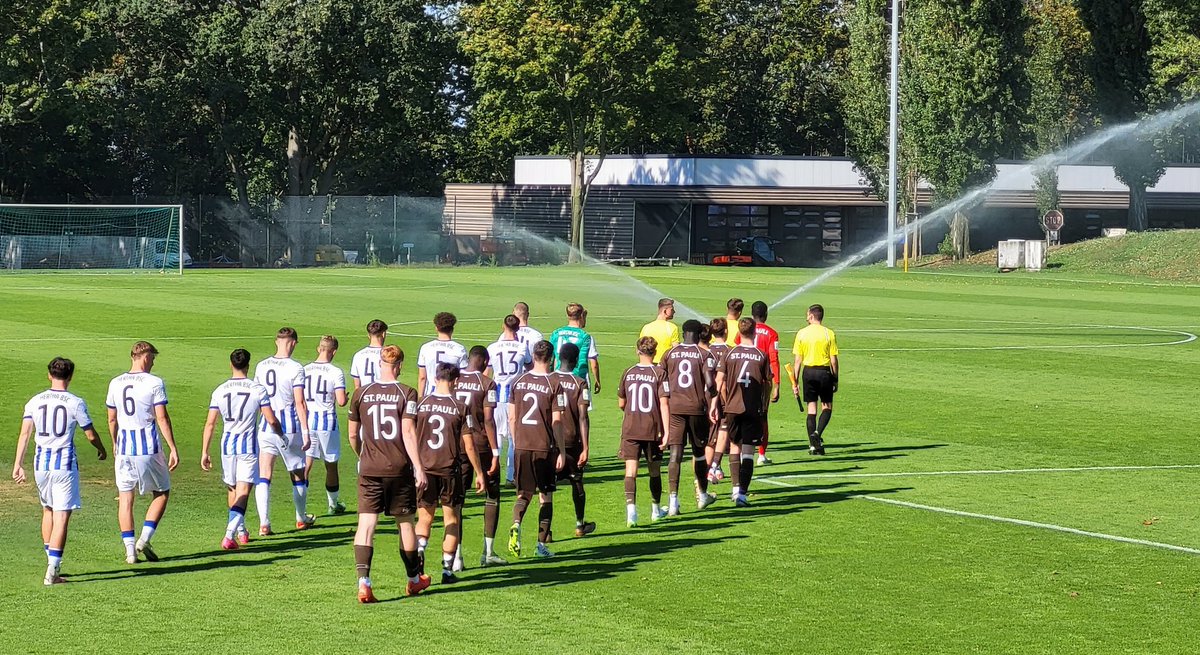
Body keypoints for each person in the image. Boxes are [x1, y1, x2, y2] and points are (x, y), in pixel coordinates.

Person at [12, 357, 107, 584]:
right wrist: (101, 449)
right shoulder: (75, 402)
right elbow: (90, 434)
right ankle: (52, 571)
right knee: (62, 516)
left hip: (40, 466)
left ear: (49, 375)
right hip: (64, 466)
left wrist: (18, 464)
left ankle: (50, 562)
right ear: (70, 376)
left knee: (48, 510)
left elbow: (25, 434)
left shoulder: (34, 401)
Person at [348, 345, 429, 603]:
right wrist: (418, 466)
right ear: (400, 365)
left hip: (370, 468)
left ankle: (364, 582)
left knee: (367, 524)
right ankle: (414, 580)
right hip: (398, 469)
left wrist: (363, 454)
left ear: (379, 363)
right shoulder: (407, 393)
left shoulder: (361, 393)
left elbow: (352, 434)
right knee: (405, 523)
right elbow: (407, 432)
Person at [200, 349, 282, 549]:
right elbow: (270, 418)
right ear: (248, 365)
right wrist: (280, 434)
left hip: (227, 445)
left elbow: (210, 423)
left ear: (231, 364)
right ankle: (229, 535)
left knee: (232, 487)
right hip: (247, 446)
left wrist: (204, 451)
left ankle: (241, 531)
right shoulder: (257, 389)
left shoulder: (220, 390)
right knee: (244, 490)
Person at [410, 363, 484, 585]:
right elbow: (469, 445)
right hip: (449, 470)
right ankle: (447, 569)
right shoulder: (461, 407)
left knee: (425, 518)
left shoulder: (421, 404)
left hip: (424, 469)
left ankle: (420, 550)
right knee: (451, 519)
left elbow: (410, 434)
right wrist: (479, 472)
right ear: (456, 381)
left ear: (435, 378)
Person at [107, 341, 179, 564]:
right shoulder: (154, 382)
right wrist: (173, 447)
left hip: (125, 448)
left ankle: (129, 552)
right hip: (148, 447)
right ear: (145, 357)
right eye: (153, 358)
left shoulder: (115, 382)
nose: (153, 362)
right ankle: (144, 539)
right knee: (162, 492)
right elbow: (162, 417)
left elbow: (111, 418)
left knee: (125, 499)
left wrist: (115, 444)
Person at [506, 341, 565, 559]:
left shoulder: (518, 381)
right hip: (543, 446)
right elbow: (557, 421)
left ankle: (516, 523)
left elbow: (511, 416)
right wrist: (561, 450)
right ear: (552, 359)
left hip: (521, 445)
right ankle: (541, 546)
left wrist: (516, 439)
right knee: (545, 495)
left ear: (534, 355)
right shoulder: (554, 384)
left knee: (523, 493)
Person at [253, 327, 313, 534]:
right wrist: (306, 432)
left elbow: (257, 399)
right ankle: (300, 518)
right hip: (290, 428)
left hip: (266, 426)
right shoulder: (296, 368)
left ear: (276, 341)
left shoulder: (261, 366)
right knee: (297, 473)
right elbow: (300, 402)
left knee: (264, 475)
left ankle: (264, 523)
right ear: (294, 343)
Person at [710, 319, 772, 507]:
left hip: (732, 408)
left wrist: (715, 403)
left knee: (735, 447)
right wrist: (765, 403)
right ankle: (742, 495)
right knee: (748, 451)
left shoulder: (730, 353)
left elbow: (718, 380)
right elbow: (768, 382)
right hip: (753, 409)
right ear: (755, 332)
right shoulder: (761, 355)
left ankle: (735, 489)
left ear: (739, 331)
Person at [454, 346, 506, 566]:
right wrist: (496, 452)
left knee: (457, 500)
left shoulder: (453, 379)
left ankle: (456, 557)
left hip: (455, 447)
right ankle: (488, 552)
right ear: (485, 362)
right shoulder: (487, 383)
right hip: (480, 445)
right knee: (492, 495)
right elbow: (488, 419)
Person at [660, 320, 718, 513]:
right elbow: (710, 383)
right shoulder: (704, 354)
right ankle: (702, 496)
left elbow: (661, 380)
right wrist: (713, 396)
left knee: (675, 454)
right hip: (696, 408)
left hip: (675, 408)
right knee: (699, 453)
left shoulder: (669, 354)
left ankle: (673, 502)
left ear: (684, 333)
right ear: (699, 333)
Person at [617, 336, 670, 526]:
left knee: (630, 471)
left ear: (637, 351)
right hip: (651, 428)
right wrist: (666, 431)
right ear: (654, 352)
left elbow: (621, 403)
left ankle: (631, 512)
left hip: (631, 428)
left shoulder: (628, 372)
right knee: (654, 470)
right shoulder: (659, 373)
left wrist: (633, 412)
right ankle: (656, 510)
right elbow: (664, 404)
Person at [551, 343, 595, 537]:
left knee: (547, 488)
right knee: (576, 482)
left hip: (551, 442)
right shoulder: (579, 383)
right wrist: (585, 447)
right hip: (572, 441)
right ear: (577, 360)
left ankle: (546, 532)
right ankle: (579, 525)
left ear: (559, 357)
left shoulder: (549, 380)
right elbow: (583, 416)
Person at [304, 336, 349, 514]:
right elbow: (341, 401)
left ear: (318, 348)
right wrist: (346, 396)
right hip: (327, 421)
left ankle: (301, 507)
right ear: (334, 351)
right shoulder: (335, 371)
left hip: (307, 421)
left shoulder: (305, 369)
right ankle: (333, 504)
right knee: (331, 463)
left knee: (306, 463)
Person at [487, 315, 533, 487]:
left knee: (496, 436)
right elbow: (529, 368)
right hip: (515, 398)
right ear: (518, 328)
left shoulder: (492, 348)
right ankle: (511, 475)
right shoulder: (522, 347)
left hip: (496, 397)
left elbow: (487, 373)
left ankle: (493, 473)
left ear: (503, 326)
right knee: (515, 437)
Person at [792, 303, 840, 455]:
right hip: (824, 372)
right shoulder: (829, 333)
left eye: (807, 315)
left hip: (808, 373)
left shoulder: (801, 333)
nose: (806, 317)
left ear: (812, 316)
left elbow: (798, 361)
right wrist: (835, 378)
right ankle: (818, 433)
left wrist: (795, 382)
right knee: (827, 407)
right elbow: (833, 360)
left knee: (811, 409)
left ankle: (813, 446)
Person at [750, 301, 782, 465]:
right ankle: (761, 455)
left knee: (744, 414)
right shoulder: (771, 333)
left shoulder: (745, 329)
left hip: (745, 377)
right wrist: (777, 383)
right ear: (766, 314)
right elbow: (773, 359)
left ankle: (743, 452)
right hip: (763, 380)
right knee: (762, 415)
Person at [549, 302, 602, 395]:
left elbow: (550, 358)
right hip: (577, 378)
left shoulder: (556, 333)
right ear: (582, 315)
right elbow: (590, 362)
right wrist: (597, 380)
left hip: (558, 378)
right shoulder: (585, 337)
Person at [705, 318, 733, 484]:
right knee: (724, 430)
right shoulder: (731, 351)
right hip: (723, 397)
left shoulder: (706, 351)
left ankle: (713, 468)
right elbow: (722, 382)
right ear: (726, 331)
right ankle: (714, 466)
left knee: (711, 434)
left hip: (706, 397)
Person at [417, 312, 469, 396]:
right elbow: (463, 376)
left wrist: (420, 398)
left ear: (436, 328)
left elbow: (422, 377)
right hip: (451, 393)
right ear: (452, 329)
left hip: (431, 392)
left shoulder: (426, 348)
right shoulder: (459, 348)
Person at [638, 298, 681, 364]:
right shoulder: (672, 327)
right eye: (672, 310)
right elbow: (677, 350)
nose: (674, 312)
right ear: (665, 311)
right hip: (664, 366)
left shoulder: (646, 327)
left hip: (649, 365)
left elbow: (640, 349)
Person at [350, 319, 388, 391]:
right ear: (383, 334)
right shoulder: (387, 355)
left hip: (365, 398)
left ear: (368, 335)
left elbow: (357, 387)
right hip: (383, 397)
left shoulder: (358, 355)